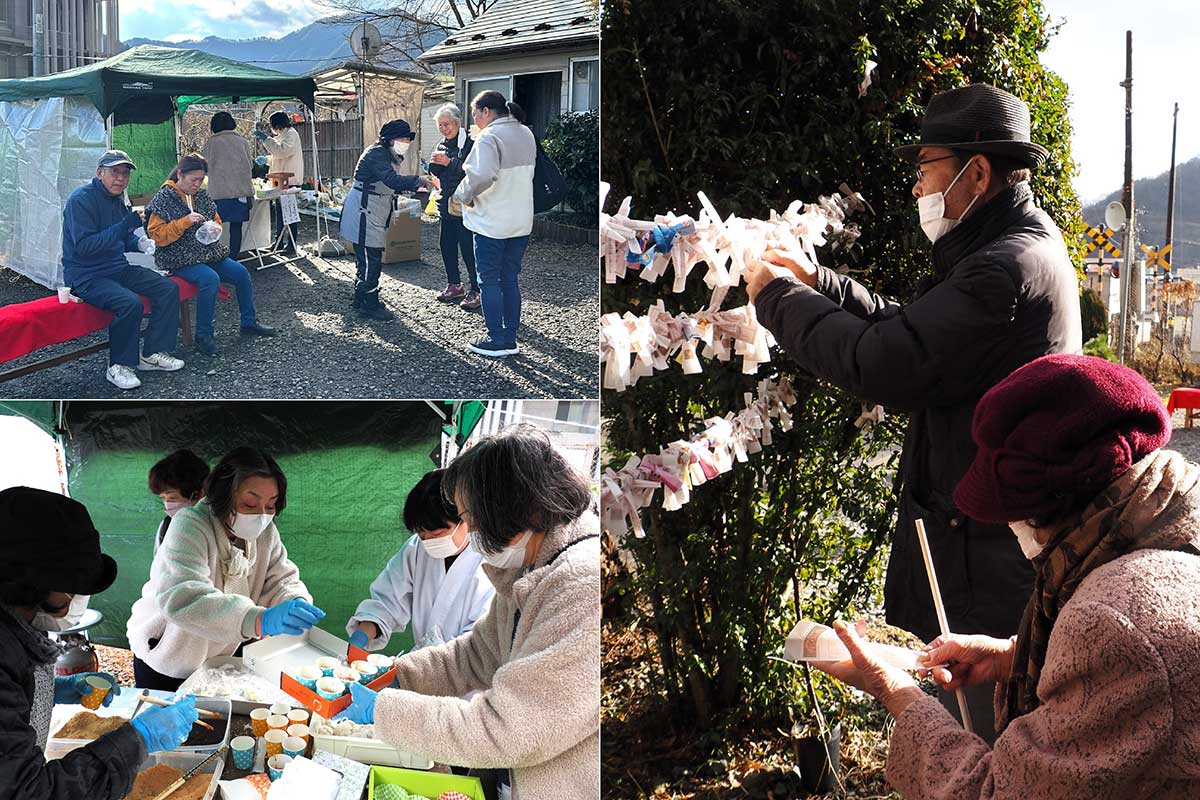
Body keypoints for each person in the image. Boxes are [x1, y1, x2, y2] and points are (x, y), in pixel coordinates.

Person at [742, 83, 1082, 742]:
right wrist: (823, 285)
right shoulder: (1013, 246)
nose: (919, 187)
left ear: (975, 173)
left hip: (984, 556)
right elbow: (918, 332)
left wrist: (777, 300)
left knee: (983, 744)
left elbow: (889, 363)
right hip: (982, 543)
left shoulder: (1002, 268)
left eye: (927, 167)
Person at [811, 354, 1200, 799]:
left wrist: (897, 694)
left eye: (1009, 509)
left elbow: (1001, 793)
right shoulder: (1171, 515)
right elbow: (1144, 687)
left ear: (1051, 505)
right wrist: (1011, 659)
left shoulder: (1112, 620)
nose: (1009, 524)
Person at [336, 427, 599, 800]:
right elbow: (474, 654)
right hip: (509, 768)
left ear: (511, 507)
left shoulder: (580, 585)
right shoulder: (531, 570)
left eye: (469, 517)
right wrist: (398, 677)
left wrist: (387, 710)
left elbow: (509, 728)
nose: (472, 530)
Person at [0, 486, 201, 798]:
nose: (80, 596)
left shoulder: (16, 621)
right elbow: (30, 792)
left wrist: (49, 690)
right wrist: (139, 738)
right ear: (33, 583)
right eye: (73, 584)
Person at [126, 447, 325, 692]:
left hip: (219, 657)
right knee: (166, 722)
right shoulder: (189, 525)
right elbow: (184, 597)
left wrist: (295, 600)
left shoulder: (266, 533)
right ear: (223, 494)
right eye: (250, 503)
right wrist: (260, 619)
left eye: (271, 505)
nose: (261, 515)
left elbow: (280, 578)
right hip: (169, 656)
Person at [62, 149, 184, 391]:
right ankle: (117, 365)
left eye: (125, 173)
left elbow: (120, 237)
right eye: (114, 172)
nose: (120, 178)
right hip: (86, 275)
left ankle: (150, 354)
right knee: (129, 303)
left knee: (168, 288)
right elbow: (85, 247)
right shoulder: (80, 200)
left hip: (116, 267)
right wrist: (125, 227)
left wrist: (138, 243)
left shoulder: (117, 199)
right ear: (99, 173)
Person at [346, 468, 494, 653]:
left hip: (467, 674)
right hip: (423, 666)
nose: (429, 542)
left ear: (466, 519)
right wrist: (364, 632)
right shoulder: (416, 550)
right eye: (422, 535)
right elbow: (389, 599)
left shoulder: (492, 562)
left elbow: (480, 639)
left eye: (437, 534)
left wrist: (428, 664)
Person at [145, 154, 276, 357]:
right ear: (180, 174)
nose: (197, 184)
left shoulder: (202, 196)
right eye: (193, 180)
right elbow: (157, 236)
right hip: (178, 256)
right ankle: (203, 335)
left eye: (201, 180)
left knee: (241, 273)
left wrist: (214, 228)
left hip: (206, 253)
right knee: (209, 279)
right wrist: (184, 222)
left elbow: (216, 219)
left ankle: (249, 322)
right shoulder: (163, 199)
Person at [456, 90, 537, 358]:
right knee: (510, 279)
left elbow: (482, 176)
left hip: (492, 221)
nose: (475, 119)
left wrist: (462, 196)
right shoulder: (525, 133)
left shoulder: (489, 137)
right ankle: (510, 336)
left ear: (486, 112)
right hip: (521, 220)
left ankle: (497, 339)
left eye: (475, 113)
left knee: (488, 280)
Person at [339, 119, 436, 321]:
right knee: (371, 260)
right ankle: (369, 304)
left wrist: (411, 185)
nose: (405, 142)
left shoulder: (387, 153)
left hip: (372, 210)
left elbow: (391, 184)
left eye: (407, 138)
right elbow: (391, 180)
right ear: (389, 139)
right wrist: (419, 179)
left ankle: (361, 299)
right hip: (363, 211)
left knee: (366, 259)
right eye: (402, 138)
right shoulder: (376, 154)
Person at [428, 103, 481, 310]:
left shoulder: (470, 143)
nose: (444, 128)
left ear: (457, 123)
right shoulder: (441, 144)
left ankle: (476, 289)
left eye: (447, 124)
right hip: (445, 204)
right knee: (447, 246)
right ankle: (454, 285)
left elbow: (474, 172)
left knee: (468, 249)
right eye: (440, 125)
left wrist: (449, 163)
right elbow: (437, 173)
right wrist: (434, 164)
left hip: (465, 205)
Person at [202, 111, 254, 260]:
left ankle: (216, 258)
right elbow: (250, 165)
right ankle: (233, 258)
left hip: (218, 193)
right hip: (240, 193)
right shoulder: (243, 141)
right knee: (236, 227)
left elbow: (205, 166)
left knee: (215, 227)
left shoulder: (211, 143)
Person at [255, 111, 304, 254]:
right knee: (281, 211)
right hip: (281, 179)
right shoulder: (284, 135)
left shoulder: (291, 134)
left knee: (289, 212)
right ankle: (279, 242)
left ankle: (291, 244)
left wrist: (267, 140)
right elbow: (279, 156)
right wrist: (267, 159)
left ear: (277, 124)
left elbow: (283, 152)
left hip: (289, 179)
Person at [148, 449, 210, 551]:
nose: (167, 505)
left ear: (199, 494)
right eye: (163, 498)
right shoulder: (166, 527)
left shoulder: (219, 528)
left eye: (173, 497)